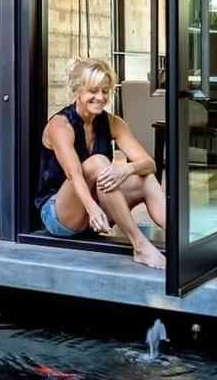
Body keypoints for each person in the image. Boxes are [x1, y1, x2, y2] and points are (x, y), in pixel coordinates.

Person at [36, 56, 166, 270]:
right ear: (77, 91)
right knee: (98, 163)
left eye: (105, 91)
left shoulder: (113, 122)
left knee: (145, 178)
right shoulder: (60, 125)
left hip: (98, 213)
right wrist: (92, 208)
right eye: (93, 91)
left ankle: (182, 243)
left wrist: (127, 169)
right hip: (60, 215)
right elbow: (74, 174)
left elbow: (149, 163)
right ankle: (140, 245)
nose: (100, 97)